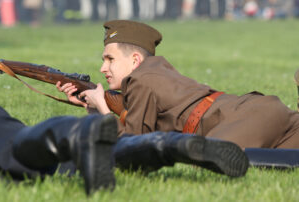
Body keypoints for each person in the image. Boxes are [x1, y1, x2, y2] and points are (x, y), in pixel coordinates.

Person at [57, 20, 299, 166]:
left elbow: (133, 145)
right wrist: (92, 108)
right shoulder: (157, 71)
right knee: (285, 163)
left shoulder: (140, 79)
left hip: (246, 120)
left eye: (110, 59)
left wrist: (102, 110)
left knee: (209, 161)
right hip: (267, 111)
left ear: (135, 60)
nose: (102, 68)